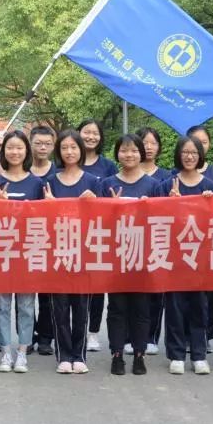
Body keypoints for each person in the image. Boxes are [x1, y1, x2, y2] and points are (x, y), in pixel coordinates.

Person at [101, 134, 159, 376]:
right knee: (117, 307)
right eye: (124, 150)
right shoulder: (106, 184)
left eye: (134, 150)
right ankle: (116, 354)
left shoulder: (153, 185)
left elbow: (162, 221)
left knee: (141, 308)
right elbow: (97, 220)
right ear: (117, 154)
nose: (129, 155)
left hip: (144, 254)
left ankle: (139, 354)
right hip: (115, 255)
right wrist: (110, 208)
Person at [0, 130, 44, 373]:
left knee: (26, 305)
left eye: (20, 148)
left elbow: (44, 218)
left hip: (28, 251)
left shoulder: (38, 183)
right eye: (10, 148)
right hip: (2, 252)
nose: (14, 152)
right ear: (3, 152)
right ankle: (5, 352)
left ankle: (23, 351)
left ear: (26, 152)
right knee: (1, 305)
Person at [43, 130, 99, 374]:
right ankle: (63, 354)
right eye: (64, 148)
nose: (69, 152)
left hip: (84, 250)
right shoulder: (50, 181)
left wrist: (94, 202)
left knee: (81, 307)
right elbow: (37, 219)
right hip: (57, 252)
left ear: (81, 150)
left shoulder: (93, 182)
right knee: (60, 306)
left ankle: (79, 354)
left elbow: (102, 219)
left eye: (73, 147)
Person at [161, 135, 213, 375]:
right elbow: (155, 219)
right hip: (173, 255)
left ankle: (198, 354)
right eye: (185, 152)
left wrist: (210, 203)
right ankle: (175, 354)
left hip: (200, 255)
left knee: (199, 305)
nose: (189, 156)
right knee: (174, 306)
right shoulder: (166, 184)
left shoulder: (210, 185)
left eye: (193, 152)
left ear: (200, 155)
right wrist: (170, 203)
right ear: (178, 154)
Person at [77, 118, 116, 353]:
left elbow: (113, 197)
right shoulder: (68, 160)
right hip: (70, 232)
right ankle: (74, 329)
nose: (90, 137)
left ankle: (92, 332)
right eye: (86, 132)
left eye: (95, 133)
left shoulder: (108, 166)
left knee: (97, 285)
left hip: (99, 232)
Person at [136, 126, 169, 356]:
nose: (148, 147)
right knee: (131, 291)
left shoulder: (167, 177)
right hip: (130, 240)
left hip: (157, 241)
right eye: (144, 142)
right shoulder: (126, 173)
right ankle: (131, 336)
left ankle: (151, 337)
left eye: (152, 143)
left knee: (156, 292)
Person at [28, 124, 57, 357]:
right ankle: (27, 336)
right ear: (30, 144)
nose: (42, 147)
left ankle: (46, 337)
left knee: (48, 293)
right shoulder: (20, 169)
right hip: (23, 241)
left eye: (47, 143)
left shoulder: (57, 174)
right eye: (38, 143)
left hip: (52, 240)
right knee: (25, 293)